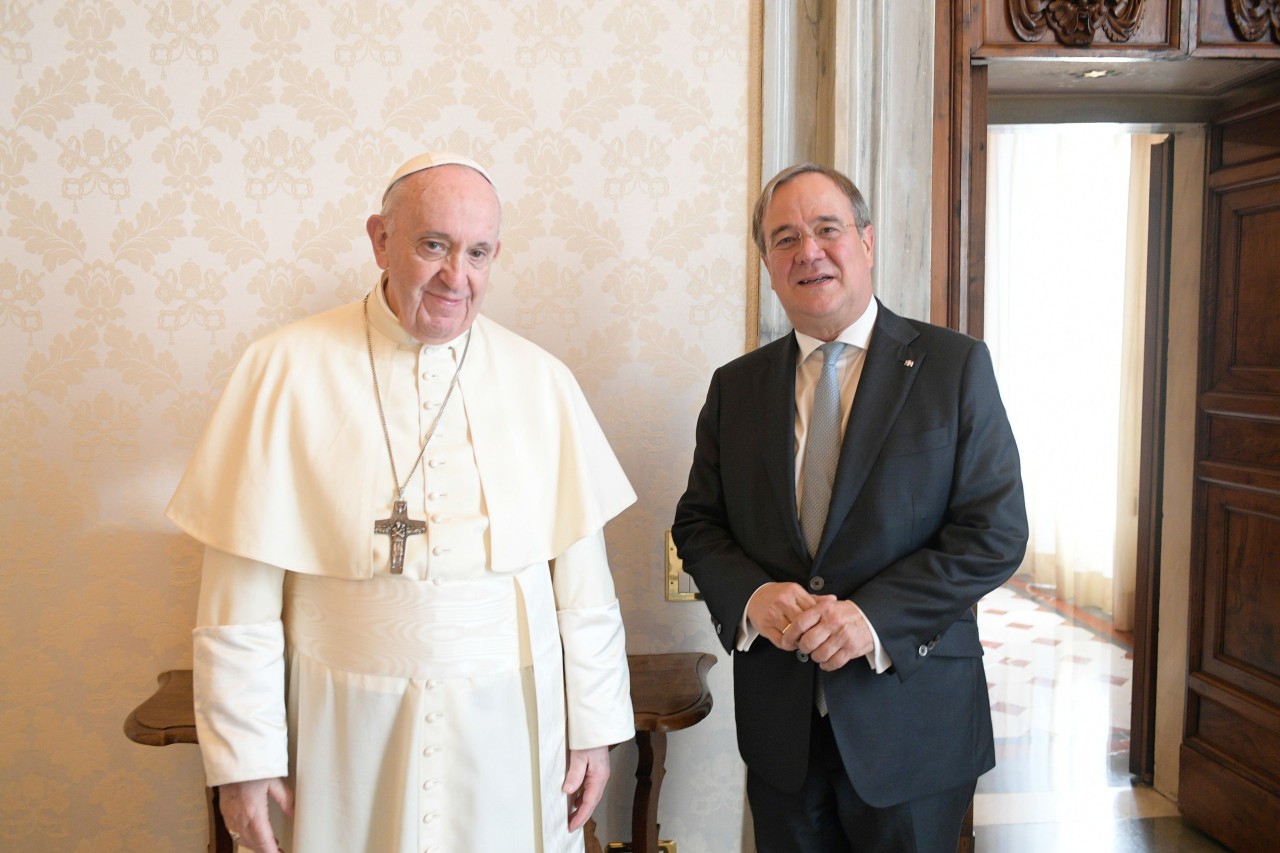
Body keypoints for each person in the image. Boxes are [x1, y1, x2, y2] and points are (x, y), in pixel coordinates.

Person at [167, 152, 636, 853]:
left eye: (478, 252)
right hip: (342, 727)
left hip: (506, 726)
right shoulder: (283, 368)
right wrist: (244, 759)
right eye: (433, 245)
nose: (457, 276)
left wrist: (595, 729)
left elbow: (583, 585)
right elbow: (239, 596)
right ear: (380, 240)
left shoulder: (541, 381)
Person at [672, 163, 1028, 853]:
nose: (808, 250)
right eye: (784, 238)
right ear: (769, 266)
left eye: (826, 228)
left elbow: (995, 531)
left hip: (913, 722)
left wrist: (874, 618)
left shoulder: (955, 368)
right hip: (782, 730)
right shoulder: (735, 387)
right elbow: (698, 523)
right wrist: (751, 596)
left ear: (865, 241)